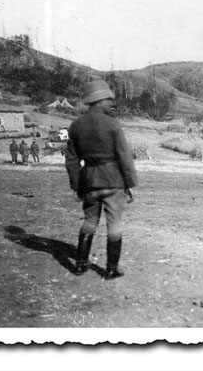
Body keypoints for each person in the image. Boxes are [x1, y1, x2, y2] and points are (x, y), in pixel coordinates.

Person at [65, 79, 138, 280]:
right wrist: (130, 183)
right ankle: (111, 269)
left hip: (89, 181)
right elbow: (124, 156)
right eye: (108, 100)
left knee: (89, 221)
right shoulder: (113, 124)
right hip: (113, 181)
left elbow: (71, 160)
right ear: (99, 101)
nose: (110, 103)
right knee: (114, 223)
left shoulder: (76, 125)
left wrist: (76, 185)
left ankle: (80, 265)